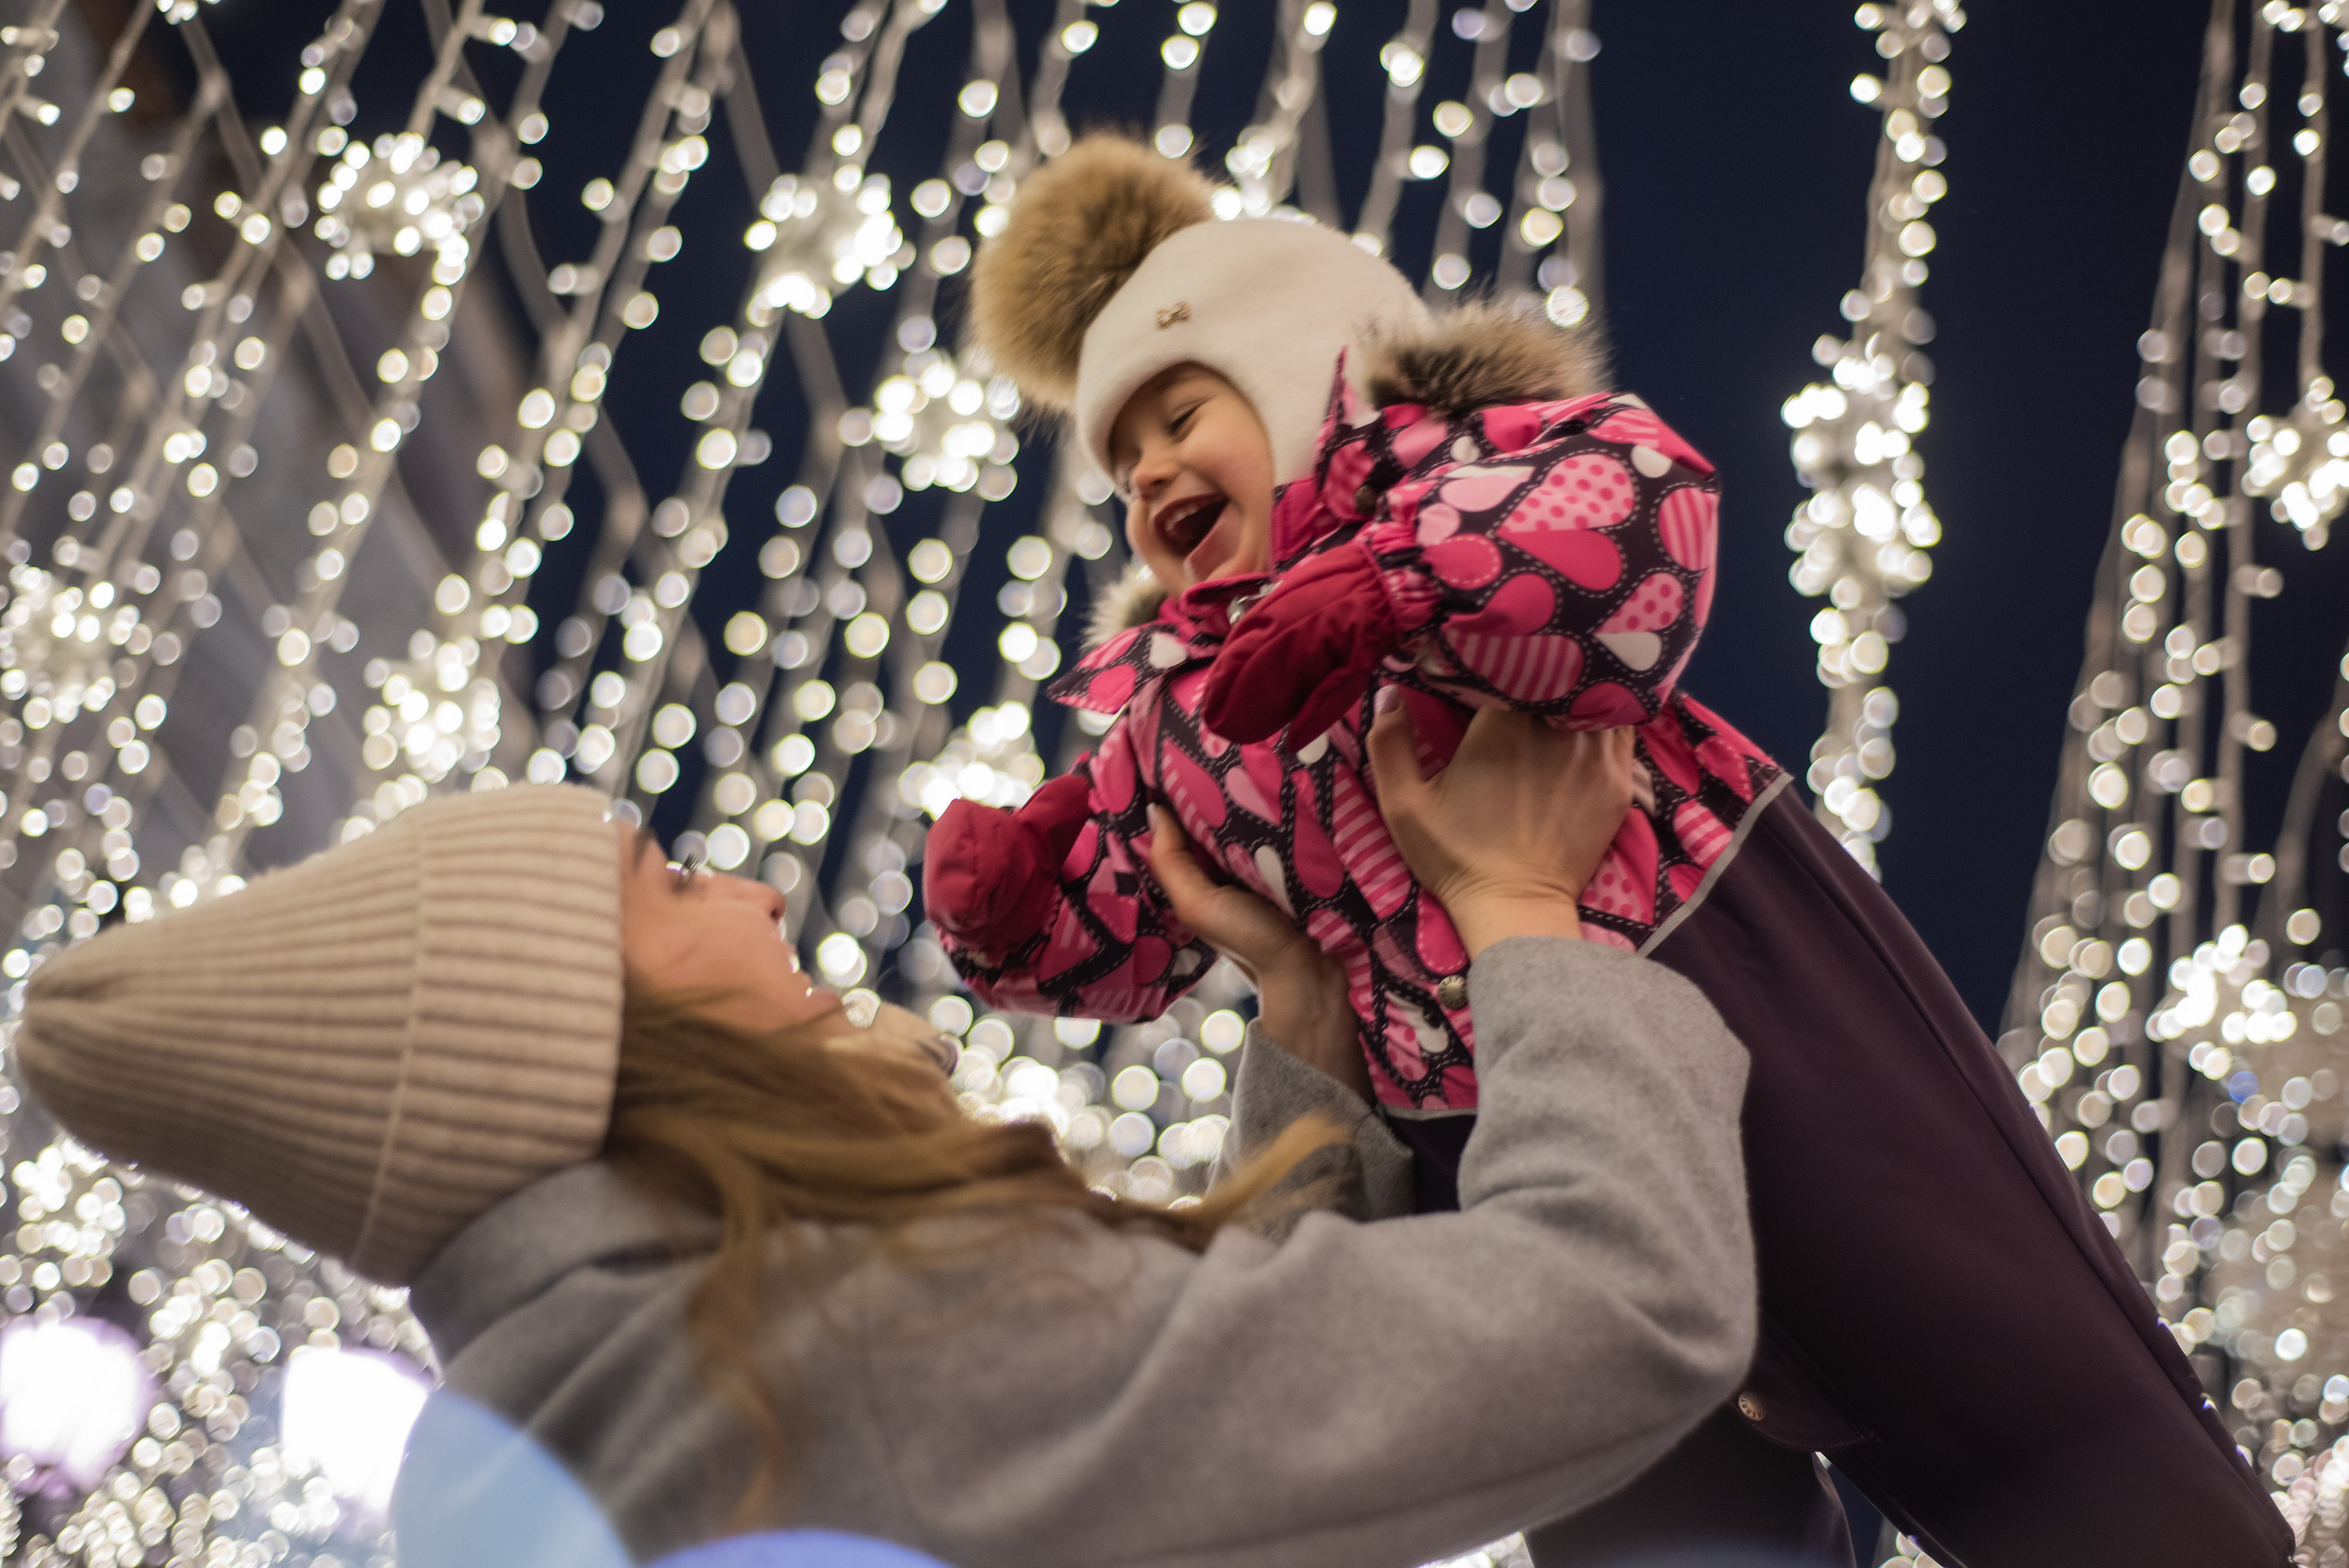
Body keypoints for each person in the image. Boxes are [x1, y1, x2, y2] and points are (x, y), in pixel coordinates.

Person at [919, 134, 2291, 1567]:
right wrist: (1020, 905)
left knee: (2005, 1378)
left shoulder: (1465, 471)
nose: (1146, 474)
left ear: (1306, 373)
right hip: (1497, 1129)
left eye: (1179, 415)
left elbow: (1629, 528)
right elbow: (1139, 886)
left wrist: (1388, 586)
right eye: (1119, 459)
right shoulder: (1186, 706)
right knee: (1644, 1513)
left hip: (1733, 982)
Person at [16, 711, 1765, 1567]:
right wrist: (1531, 909)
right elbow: (1616, 1304)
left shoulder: (601, 1407)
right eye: (671, 884)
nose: (759, 882)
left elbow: (1183, 1434)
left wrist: (1304, 1025)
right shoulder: (823, 1354)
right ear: (592, 1033)